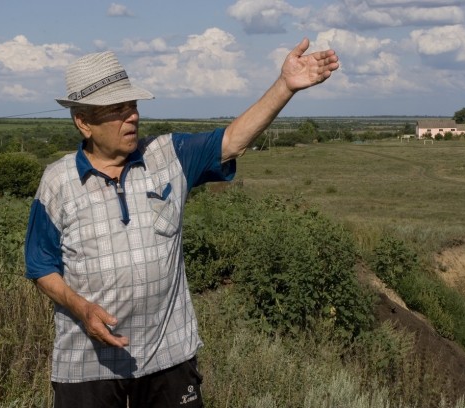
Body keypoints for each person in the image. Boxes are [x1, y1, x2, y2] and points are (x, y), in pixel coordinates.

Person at [24, 37, 339, 408]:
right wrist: (82, 309)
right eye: (117, 109)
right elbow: (40, 265)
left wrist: (285, 85)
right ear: (83, 122)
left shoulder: (168, 156)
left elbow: (232, 141)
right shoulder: (58, 182)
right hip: (87, 366)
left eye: (133, 105)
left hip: (168, 358)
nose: (132, 116)